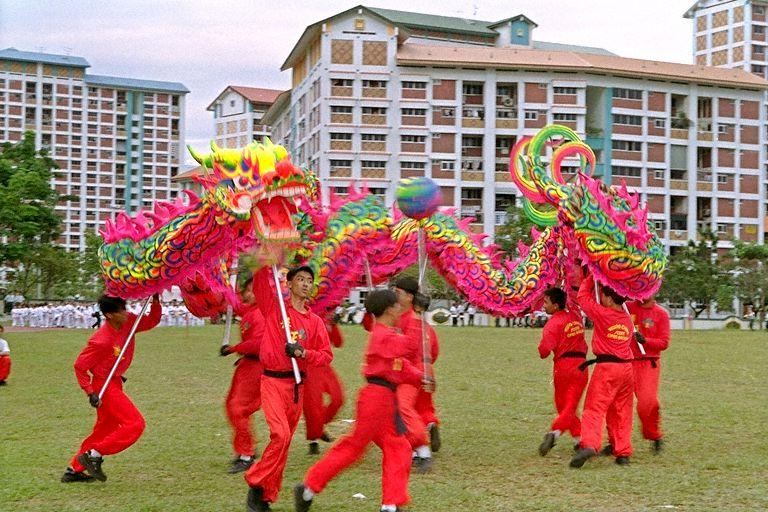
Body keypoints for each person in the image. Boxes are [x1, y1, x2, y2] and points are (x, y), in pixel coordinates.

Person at [293, 289, 433, 512]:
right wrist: (417, 315)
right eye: (398, 306)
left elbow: (399, 367)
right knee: (355, 448)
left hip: (384, 399)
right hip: (377, 400)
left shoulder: (387, 334)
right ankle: (309, 486)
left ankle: (390, 504)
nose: (401, 309)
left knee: (399, 448)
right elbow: (409, 348)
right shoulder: (382, 335)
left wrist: (420, 378)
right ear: (389, 310)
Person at [244, 265, 332, 512]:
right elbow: (261, 284)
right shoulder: (275, 308)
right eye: (300, 279)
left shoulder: (314, 322)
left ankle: (266, 497)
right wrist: (266, 257)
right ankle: (256, 484)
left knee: (284, 445)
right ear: (289, 284)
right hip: (272, 382)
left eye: (309, 280)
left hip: (296, 386)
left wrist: (304, 353)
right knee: (280, 435)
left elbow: (326, 355)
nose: (305, 284)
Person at [61, 294, 162, 483]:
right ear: (109, 315)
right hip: (104, 386)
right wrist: (90, 392)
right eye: (120, 311)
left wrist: (155, 300)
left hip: (115, 382)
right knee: (135, 424)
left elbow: (151, 321)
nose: (126, 313)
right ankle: (94, 454)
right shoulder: (101, 340)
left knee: (104, 430)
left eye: (125, 308)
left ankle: (74, 470)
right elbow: (80, 366)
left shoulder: (129, 321)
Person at [570, 274, 635, 468]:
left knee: (593, 408)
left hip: (607, 368)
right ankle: (622, 452)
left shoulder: (603, 314)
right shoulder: (626, 318)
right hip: (626, 369)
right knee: (622, 410)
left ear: (607, 297)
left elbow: (582, 297)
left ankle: (589, 444)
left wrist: (592, 276)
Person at [220, 277, 265, 473]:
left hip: (256, 367)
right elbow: (235, 305)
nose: (246, 295)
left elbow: (258, 343)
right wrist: (226, 284)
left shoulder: (261, 314)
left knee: (239, 409)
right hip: (245, 367)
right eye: (245, 291)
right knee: (232, 407)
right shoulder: (251, 311)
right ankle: (246, 448)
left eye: (250, 291)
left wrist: (233, 348)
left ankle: (246, 455)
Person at [536, 287, 588, 456]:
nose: (544, 306)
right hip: (581, 365)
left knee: (564, 406)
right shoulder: (576, 316)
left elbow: (544, 352)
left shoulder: (552, 324)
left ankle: (554, 433)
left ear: (556, 305)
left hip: (563, 367)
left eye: (546, 302)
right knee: (569, 407)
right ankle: (579, 441)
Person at [625, 296, 670, 453]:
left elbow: (664, 342)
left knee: (647, 403)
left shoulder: (661, 314)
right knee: (617, 404)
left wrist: (646, 341)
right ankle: (615, 441)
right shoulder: (627, 307)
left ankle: (654, 435)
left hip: (649, 363)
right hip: (626, 361)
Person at [304, 320, 345, 455]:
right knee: (312, 406)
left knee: (338, 398)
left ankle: (319, 427)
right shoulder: (306, 320)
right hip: (309, 365)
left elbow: (338, 343)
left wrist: (333, 325)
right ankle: (313, 441)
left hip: (324, 365)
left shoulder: (327, 321)